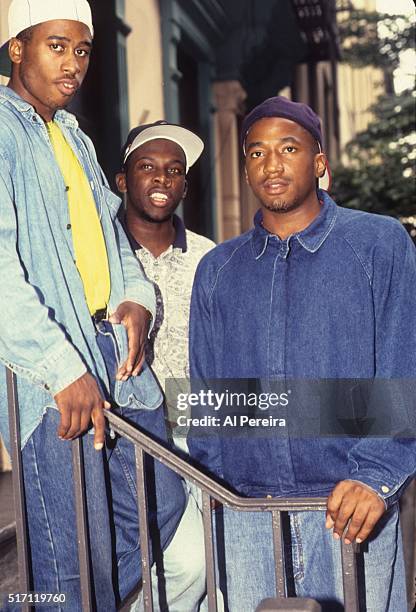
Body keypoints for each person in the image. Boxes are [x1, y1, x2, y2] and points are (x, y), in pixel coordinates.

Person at [188, 96, 416, 611]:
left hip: (351, 505)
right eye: (256, 152)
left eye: (288, 148)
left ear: (319, 163)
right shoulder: (218, 270)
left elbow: (406, 364)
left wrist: (376, 477)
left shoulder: (380, 244)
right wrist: (217, 497)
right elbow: (209, 399)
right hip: (245, 509)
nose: (271, 163)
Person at [0, 1, 186, 610]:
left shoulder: (74, 137)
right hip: (50, 370)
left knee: (162, 499)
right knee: (72, 556)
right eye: (57, 46)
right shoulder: (2, 129)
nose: (74, 63)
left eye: (82, 50)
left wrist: (134, 298)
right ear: (17, 48)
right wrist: (60, 368)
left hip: (113, 354)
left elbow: (113, 240)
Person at [115, 121, 217, 610]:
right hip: (135, 435)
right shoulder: (100, 257)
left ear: (184, 185)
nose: (162, 179)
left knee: (220, 569)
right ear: (121, 180)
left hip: (203, 430)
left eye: (174, 171)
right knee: (190, 563)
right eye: (147, 167)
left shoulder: (208, 257)